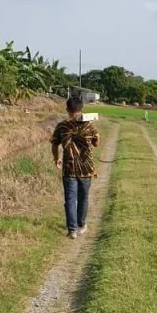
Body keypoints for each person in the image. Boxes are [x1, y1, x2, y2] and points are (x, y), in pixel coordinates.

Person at [50, 97, 100, 239]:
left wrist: (56, 158)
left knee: (70, 199)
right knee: (83, 198)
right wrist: (96, 137)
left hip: (69, 167)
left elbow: (54, 144)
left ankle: (72, 230)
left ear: (67, 110)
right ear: (81, 109)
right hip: (86, 168)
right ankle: (82, 225)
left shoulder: (61, 126)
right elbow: (96, 143)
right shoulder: (89, 126)